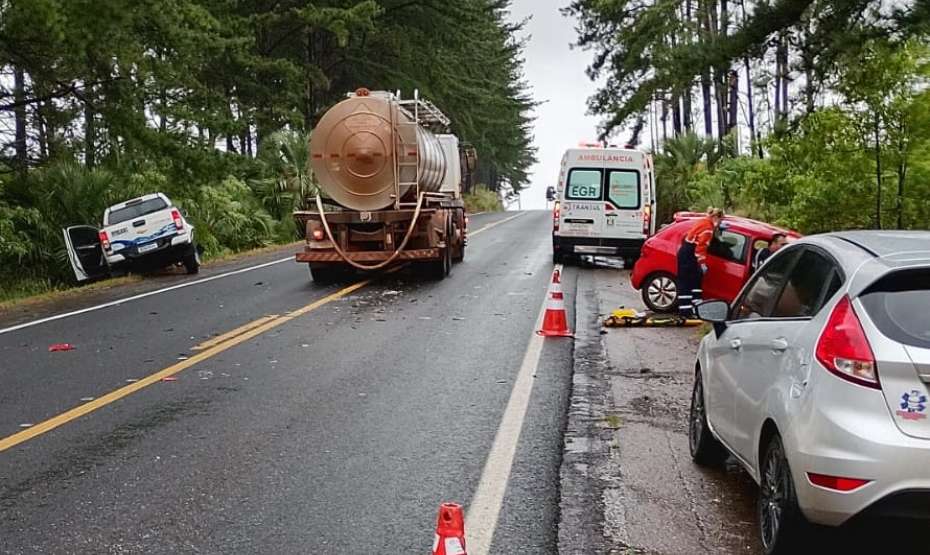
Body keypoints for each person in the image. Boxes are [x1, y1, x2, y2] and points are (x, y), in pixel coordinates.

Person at [677, 208, 723, 317]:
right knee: (686, 282)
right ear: (716, 217)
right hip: (689, 254)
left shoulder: (703, 222)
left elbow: (688, 236)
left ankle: (694, 307)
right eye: (720, 220)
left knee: (694, 279)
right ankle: (686, 311)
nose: (720, 223)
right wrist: (702, 263)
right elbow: (701, 247)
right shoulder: (708, 228)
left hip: (686, 251)